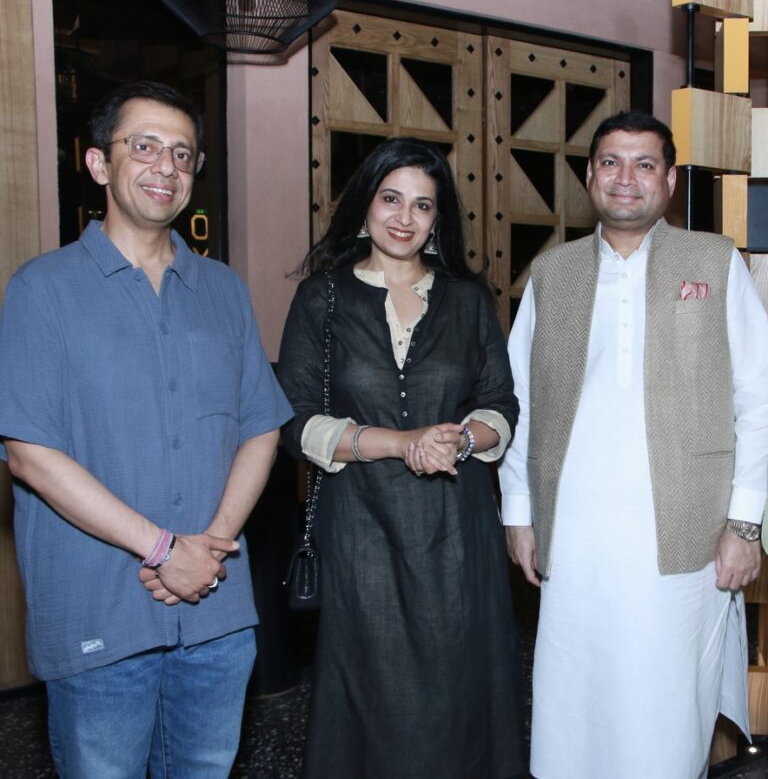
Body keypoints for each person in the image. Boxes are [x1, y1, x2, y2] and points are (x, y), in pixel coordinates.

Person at [0, 81, 293, 777]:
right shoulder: (42, 290)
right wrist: (164, 549)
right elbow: (30, 454)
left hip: (217, 615)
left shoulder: (222, 289)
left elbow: (260, 427)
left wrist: (209, 547)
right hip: (100, 612)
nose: (167, 166)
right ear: (100, 164)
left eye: (183, 154)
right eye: (146, 147)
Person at [500, 110, 768, 778]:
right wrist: (518, 514)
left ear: (669, 181)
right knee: (575, 706)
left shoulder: (713, 260)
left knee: (669, 711)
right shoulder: (550, 273)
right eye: (611, 163)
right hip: (577, 538)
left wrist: (745, 523)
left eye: (644, 164)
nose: (627, 178)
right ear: (590, 176)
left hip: (686, 535)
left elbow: (758, 401)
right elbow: (516, 403)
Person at [278, 137, 526, 778]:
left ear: (437, 221)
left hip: (457, 527)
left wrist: (462, 439)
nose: (404, 218)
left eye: (422, 205)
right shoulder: (322, 299)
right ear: (364, 207)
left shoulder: (469, 299)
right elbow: (294, 420)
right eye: (391, 199)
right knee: (370, 686)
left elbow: (501, 403)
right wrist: (399, 443)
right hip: (361, 526)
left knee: (459, 689)